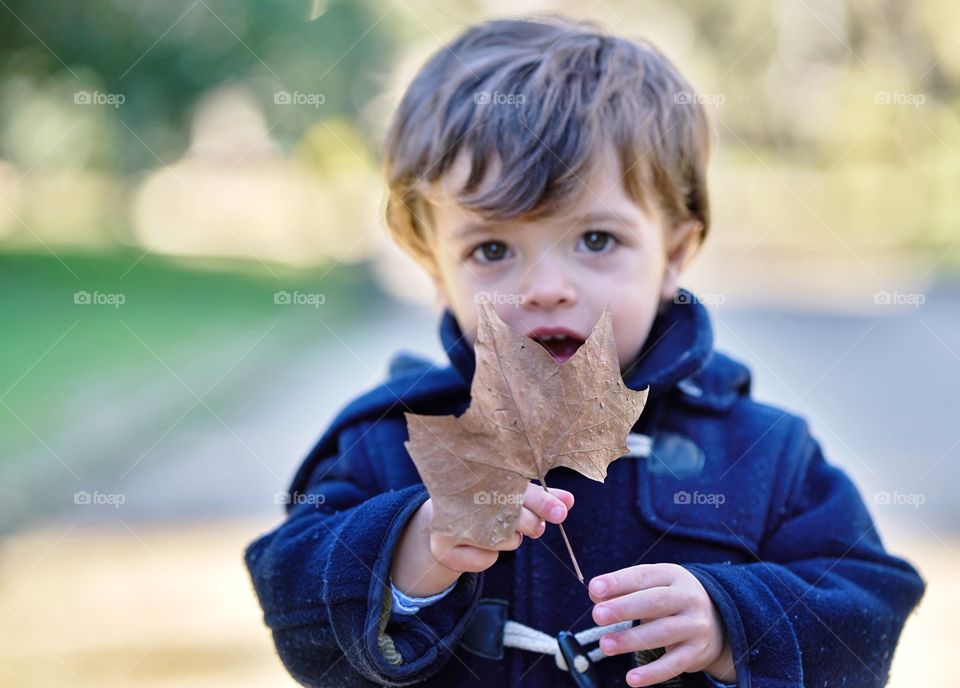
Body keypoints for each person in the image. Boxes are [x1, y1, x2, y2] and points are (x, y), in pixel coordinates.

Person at [245, 15, 925, 687]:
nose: (546, 289)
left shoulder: (763, 454)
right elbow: (291, 593)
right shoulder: (393, 441)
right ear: (436, 270)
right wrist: (415, 547)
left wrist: (733, 624)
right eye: (491, 248)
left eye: (597, 240)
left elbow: (867, 609)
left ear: (673, 254)